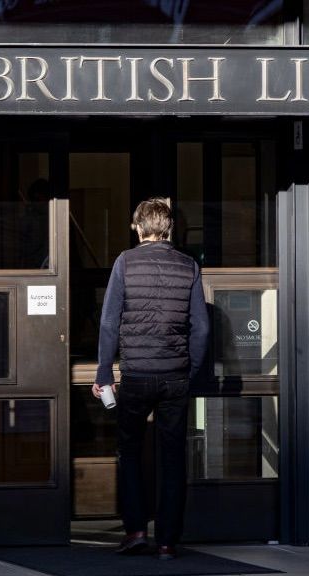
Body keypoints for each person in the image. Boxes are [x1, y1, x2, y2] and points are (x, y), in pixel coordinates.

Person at [91, 197, 209, 560]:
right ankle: (168, 541)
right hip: (174, 377)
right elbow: (201, 329)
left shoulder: (125, 262)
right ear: (169, 228)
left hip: (138, 375)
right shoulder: (188, 266)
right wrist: (190, 373)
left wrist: (103, 374)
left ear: (139, 227)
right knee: (173, 459)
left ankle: (136, 530)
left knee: (130, 451)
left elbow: (110, 322)